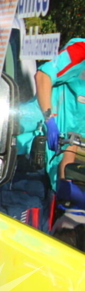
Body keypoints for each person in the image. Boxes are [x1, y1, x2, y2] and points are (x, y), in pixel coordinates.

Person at [37, 38, 85, 188]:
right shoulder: (80, 50)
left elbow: (73, 141)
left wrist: (65, 189)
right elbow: (43, 75)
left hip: (59, 148)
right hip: (33, 134)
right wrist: (48, 119)